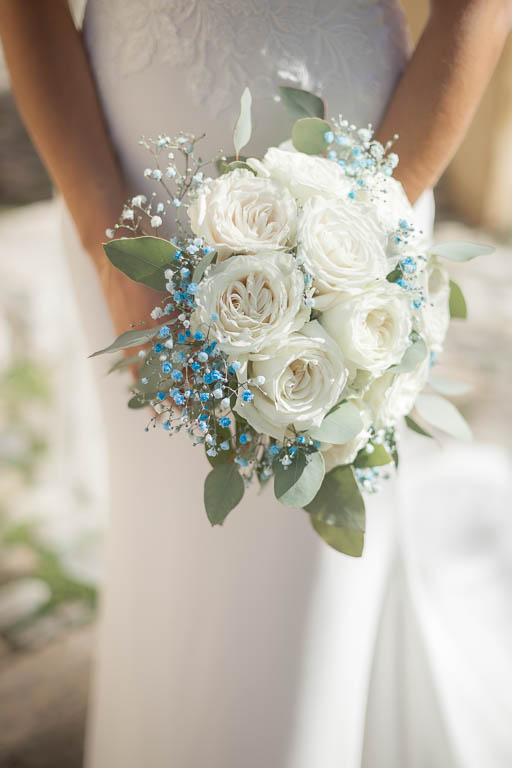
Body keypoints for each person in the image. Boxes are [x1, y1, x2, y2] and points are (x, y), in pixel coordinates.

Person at [1, 1, 511, 766]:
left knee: (311, 566)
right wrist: (107, 238)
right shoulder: (120, 232)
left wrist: (373, 225)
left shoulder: (365, 224)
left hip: (361, 186)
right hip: (131, 200)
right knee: (164, 535)